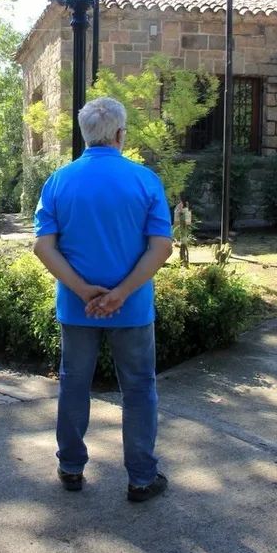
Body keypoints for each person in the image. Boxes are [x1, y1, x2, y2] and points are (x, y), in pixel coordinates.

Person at [33, 97, 173, 503]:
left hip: (77, 309)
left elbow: (44, 247)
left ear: (85, 135)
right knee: (139, 388)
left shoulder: (59, 181)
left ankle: (71, 467)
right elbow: (161, 247)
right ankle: (142, 478)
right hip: (132, 309)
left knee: (74, 383)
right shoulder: (145, 180)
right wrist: (121, 294)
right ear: (119, 135)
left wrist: (82, 291)